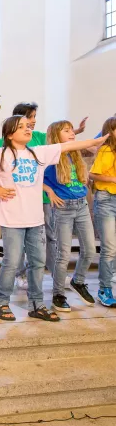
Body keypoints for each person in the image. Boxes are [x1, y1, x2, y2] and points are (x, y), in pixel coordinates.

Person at [0, 115, 105, 322]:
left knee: (37, 262)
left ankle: (37, 304)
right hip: (12, 219)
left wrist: (96, 141)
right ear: (9, 134)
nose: (28, 130)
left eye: (29, 126)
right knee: (12, 261)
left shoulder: (38, 152)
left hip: (35, 219)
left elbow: (69, 146)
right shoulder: (0, 154)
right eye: (22, 127)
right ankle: (1, 302)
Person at [0, 102, 87, 289]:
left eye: (33, 118)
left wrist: (77, 132)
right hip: (21, 200)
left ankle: (54, 275)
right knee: (18, 244)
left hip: (44, 198)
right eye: (29, 117)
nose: (33, 122)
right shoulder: (6, 145)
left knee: (49, 237)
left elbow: (58, 140)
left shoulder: (39, 137)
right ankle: (20, 275)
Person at [44, 121, 97, 312]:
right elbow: (34, 177)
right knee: (63, 254)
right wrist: (49, 190)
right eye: (66, 131)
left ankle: (79, 281)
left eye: (72, 130)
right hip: (63, 208)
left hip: (81, 206)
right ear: (56, 136)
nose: (72, 133)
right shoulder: (50, 157)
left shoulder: (75, 155)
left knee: (90, 249)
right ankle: (58, 294)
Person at [90, 117, 116, 307]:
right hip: (106, 198)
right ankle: (104, 289)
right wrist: (113, 179)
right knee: (109, 247)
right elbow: (92, 174)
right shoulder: (107, 149)